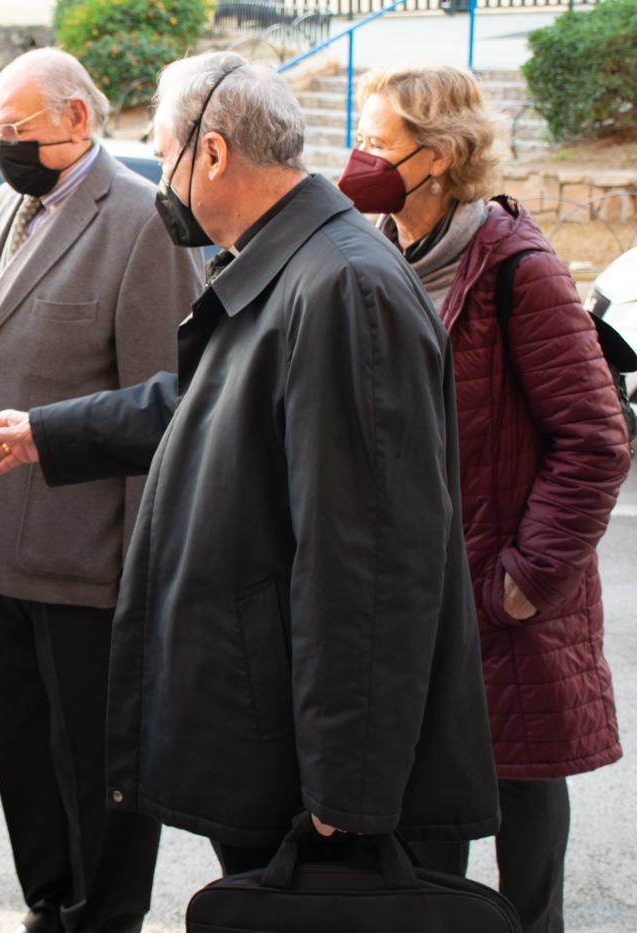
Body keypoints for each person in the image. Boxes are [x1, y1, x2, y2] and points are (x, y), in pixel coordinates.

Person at [0, 51, 502, 882]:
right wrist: (48, 430)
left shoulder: (341, 286)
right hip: (275, 739)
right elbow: (206, 405)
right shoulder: (293, 265)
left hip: (318, 785)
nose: (160, 178)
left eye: (164, 150)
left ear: (212, 153)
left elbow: (369, 559)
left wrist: (345, 788)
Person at [339, 65, 630, 932]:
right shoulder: (373, 258)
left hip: (505, 616)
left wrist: (523, 578)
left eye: (378, 145)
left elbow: (595, 439)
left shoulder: (518, 269)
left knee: (523, 865)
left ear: (440, 156)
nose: (360, 161)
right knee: (426, 860)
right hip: (409, 609)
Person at [0, 48, 201, 933]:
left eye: (14, 128)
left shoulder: (143, 221)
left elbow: (166, 403)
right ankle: (48, 899)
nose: (1, 144)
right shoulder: (12, 202)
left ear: (75, 121)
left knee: (97, 764)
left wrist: (142, 564)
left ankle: (104, 912)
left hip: (89, 559)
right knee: (22, 750)